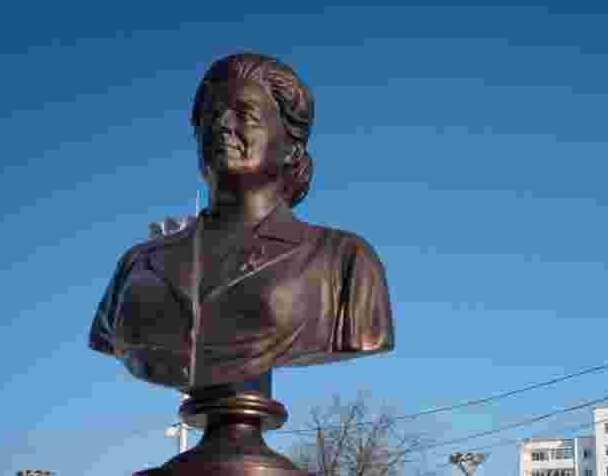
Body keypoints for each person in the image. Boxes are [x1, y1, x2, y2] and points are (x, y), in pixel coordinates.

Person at [89, 53, 394, 391]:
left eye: (245, 114)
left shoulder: (343, 262)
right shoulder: (138, 263)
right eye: (210, 115)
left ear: (292, 147)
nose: (222, 124)